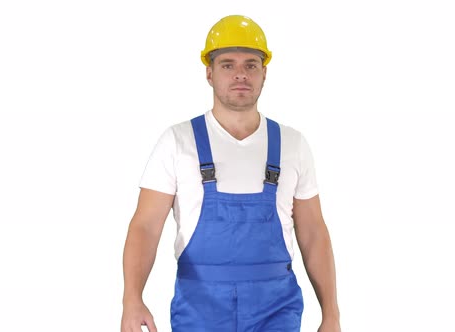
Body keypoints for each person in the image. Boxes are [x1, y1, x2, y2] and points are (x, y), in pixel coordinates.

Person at [121, 14, 341, 332]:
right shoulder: (177, 141)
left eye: (251, 64)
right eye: (228, 64)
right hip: (199, 310)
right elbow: (144, 227)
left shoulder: (293, 144)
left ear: (264, 72)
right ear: (209, 73)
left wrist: (331, 314)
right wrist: (132, 299)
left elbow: (314, 233)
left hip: (275, 312)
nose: (240, 74)